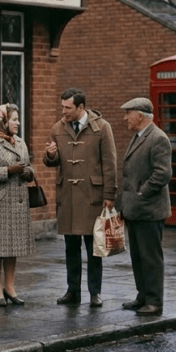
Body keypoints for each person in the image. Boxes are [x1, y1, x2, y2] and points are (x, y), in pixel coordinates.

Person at [44, 88, 117, 307]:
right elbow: (51, 162)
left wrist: (110, 194)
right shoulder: (57, 128)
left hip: (93, 196)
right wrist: (50, 155)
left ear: (81, 108)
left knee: (95, 248)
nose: (63, 111)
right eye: (62, 107)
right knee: (70, 248)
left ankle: (95, 293)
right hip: (68, 197)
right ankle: (72, 291)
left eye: (68, 108)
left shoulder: (102, 128)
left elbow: (110, 163)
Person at [116, 97, 172, 316]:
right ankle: (143, 296)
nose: (125, 118)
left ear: (140, 116)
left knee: (151, 258)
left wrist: (142, 193)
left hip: (149, 209)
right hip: (135, 209)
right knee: (138, 257)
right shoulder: (138, 136)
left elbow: (163, 173)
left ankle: (155, 302)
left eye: (128, 113)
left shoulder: (158, 138)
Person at [0, 104, 36, 306]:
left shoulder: (20, 142)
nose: (17, 123)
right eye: (14, 119)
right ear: (2, 121)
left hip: (17, 202)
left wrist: (28, 172)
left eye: (18, 119)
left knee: (13, 248)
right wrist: (8, 170)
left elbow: (28, 167)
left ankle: (10, 287)